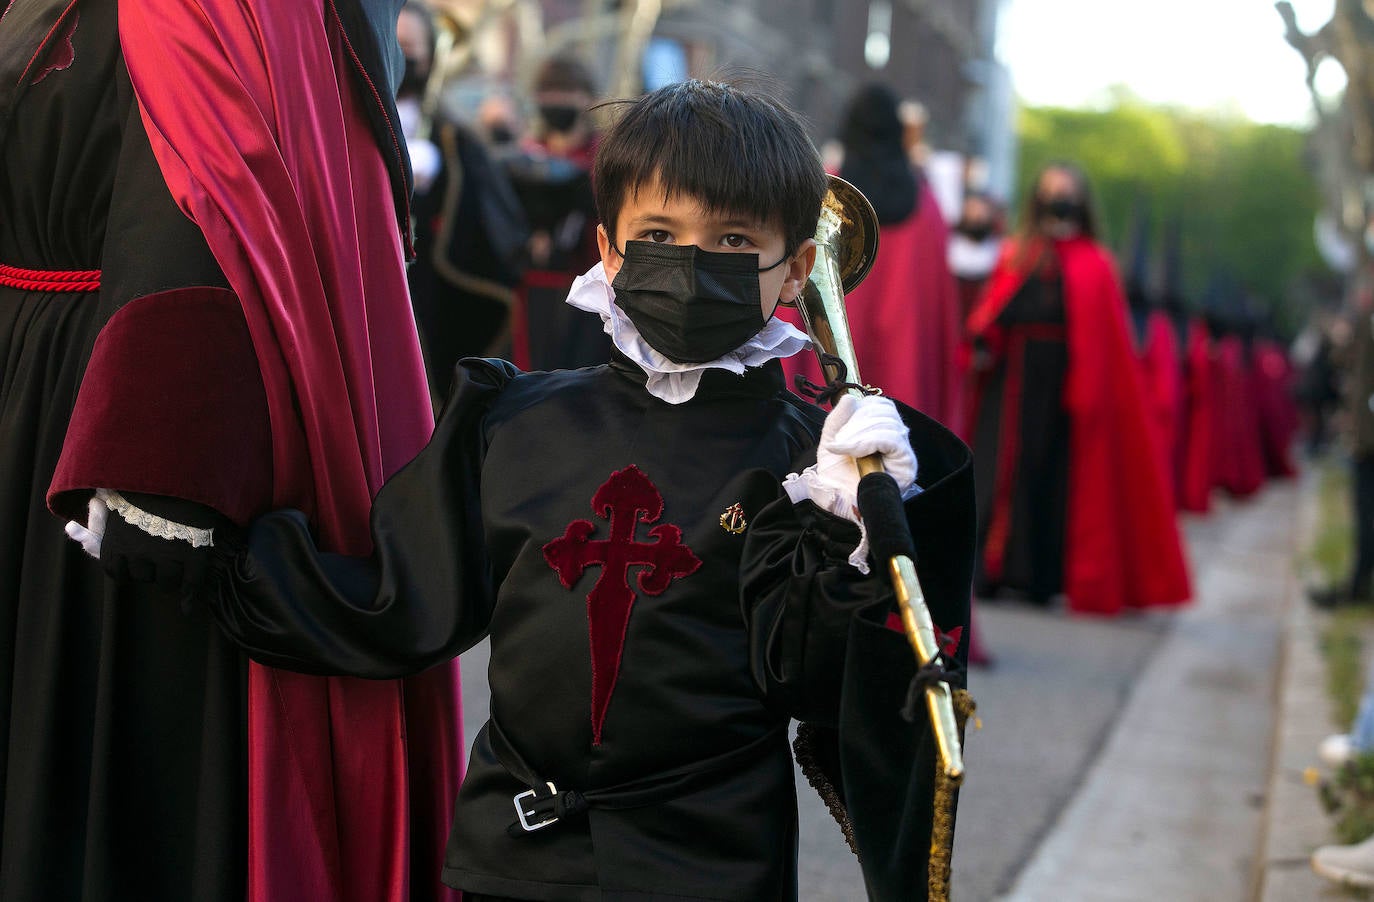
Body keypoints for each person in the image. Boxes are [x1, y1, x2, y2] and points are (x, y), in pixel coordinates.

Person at [87, 79, 977, 901]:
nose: (692, 263)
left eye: (734, 242)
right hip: (511, 856)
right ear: (608, 246)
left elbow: (814, 680)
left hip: (708, 868)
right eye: (659, 237)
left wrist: (861, 536)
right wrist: (214, 553)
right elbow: (396, 600)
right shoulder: (514, 419)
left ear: (794, 271)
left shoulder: (802, 460)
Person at [5, 0, 461, 899]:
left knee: (111, 767)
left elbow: (209, 187)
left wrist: (156, 453)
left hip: (99, 409)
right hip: (25, 377)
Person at [964, 162, 1191, 615]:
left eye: (1065, 192)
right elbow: (990, 315)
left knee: (1055, 477)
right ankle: (992, 570)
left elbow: (1105, 343)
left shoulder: (1096, 264)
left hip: (1066, 389)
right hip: (1013, 385)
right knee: (1004, 474)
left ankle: (1041, 577)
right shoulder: (1018, 253)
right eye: (1050, 191)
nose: (1057, 200)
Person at [396, 0, 530, 402]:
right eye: (394, 44)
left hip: (426, 290)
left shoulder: (450, 136)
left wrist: (438, 183)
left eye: (410, 46)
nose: (402, 57)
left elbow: (485, 216)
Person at [503, 54, 611, 371]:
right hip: (531, 289)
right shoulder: (526, 153)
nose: (555, 101)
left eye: (565, 92)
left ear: (586, 99)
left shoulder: (605, 155)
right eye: (547, 93)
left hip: (588, 288)